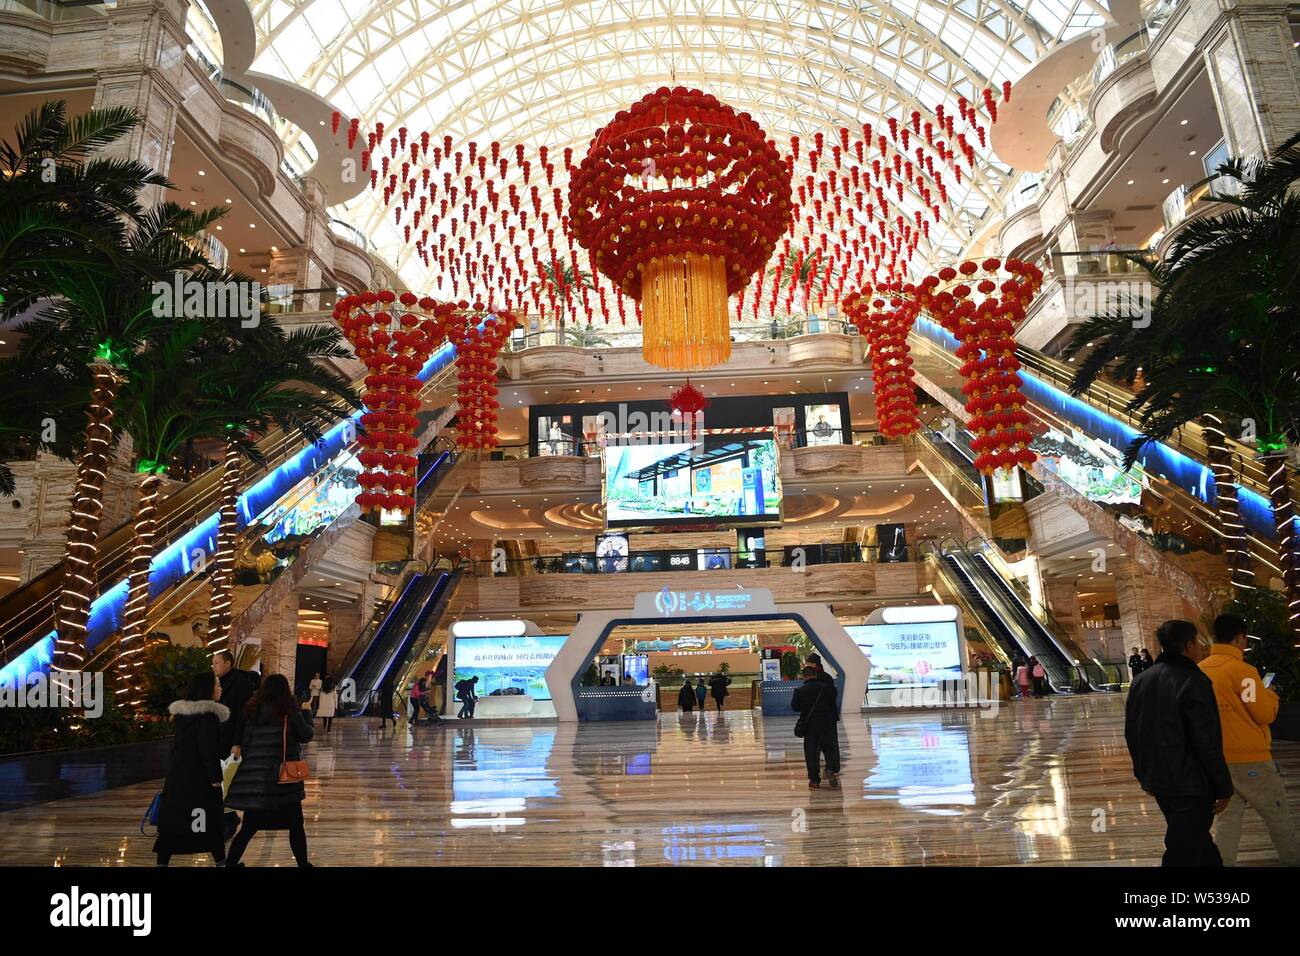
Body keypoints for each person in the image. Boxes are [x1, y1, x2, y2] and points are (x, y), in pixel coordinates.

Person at [1125, 620, 1234, 866]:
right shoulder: (1193, 681)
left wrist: (1144, 775)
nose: (1200, 648)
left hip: (1160, 780)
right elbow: (1206, 740)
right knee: (1182, 846)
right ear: (1188, 645)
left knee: (1196, 842)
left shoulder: (1142, 680)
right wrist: (1223, 786)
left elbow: (1133, 732)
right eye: (1197, 642)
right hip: (1191, 783)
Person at [1200, 614, 1297, 866]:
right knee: (1278, 816)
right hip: (1251, 759)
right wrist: (1271, 696)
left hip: (1216, 760)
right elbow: (1263, 712)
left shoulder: (1200, 670)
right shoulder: (1243, 672)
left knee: (1227, 821)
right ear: (1239, 638)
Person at [224, 674, 314, 867]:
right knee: (296, 826)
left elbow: (246, 745)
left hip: (257, 781)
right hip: (284, 780)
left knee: (248, 828)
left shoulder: (252, 710)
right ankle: (303, 865)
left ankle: (230, 864)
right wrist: (308, 716)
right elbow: (306, 735)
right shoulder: (289, 710)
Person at [154, 672, 228, 866]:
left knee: (174, 826)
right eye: (217, 684)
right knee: (210, 824)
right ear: (207, 688)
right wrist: (215, 779)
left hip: (179, 778)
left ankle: (162, 863)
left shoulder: (183, 715)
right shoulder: (208, 716)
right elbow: (208, 750)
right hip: (200, 781)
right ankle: (221, 861)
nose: (220, 688)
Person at [792, 664, 840, 789]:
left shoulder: (800, 691)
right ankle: (830, 768)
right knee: (829, 749)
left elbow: (795, 707)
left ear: (804, 677)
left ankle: (814, 780)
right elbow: (833, 702)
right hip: (827, 724)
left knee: (811, 754)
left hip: (810, 727)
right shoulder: (827, 689)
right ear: (816, 675)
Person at [212, 650, 257, 759]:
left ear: (228, 664)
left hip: (231, 740)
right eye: (213, 664)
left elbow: (242, 715)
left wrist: (237, 743)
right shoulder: (218, 682)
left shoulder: (241, 683)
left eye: (216, 663)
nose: (214, 667)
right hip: (218, 737)